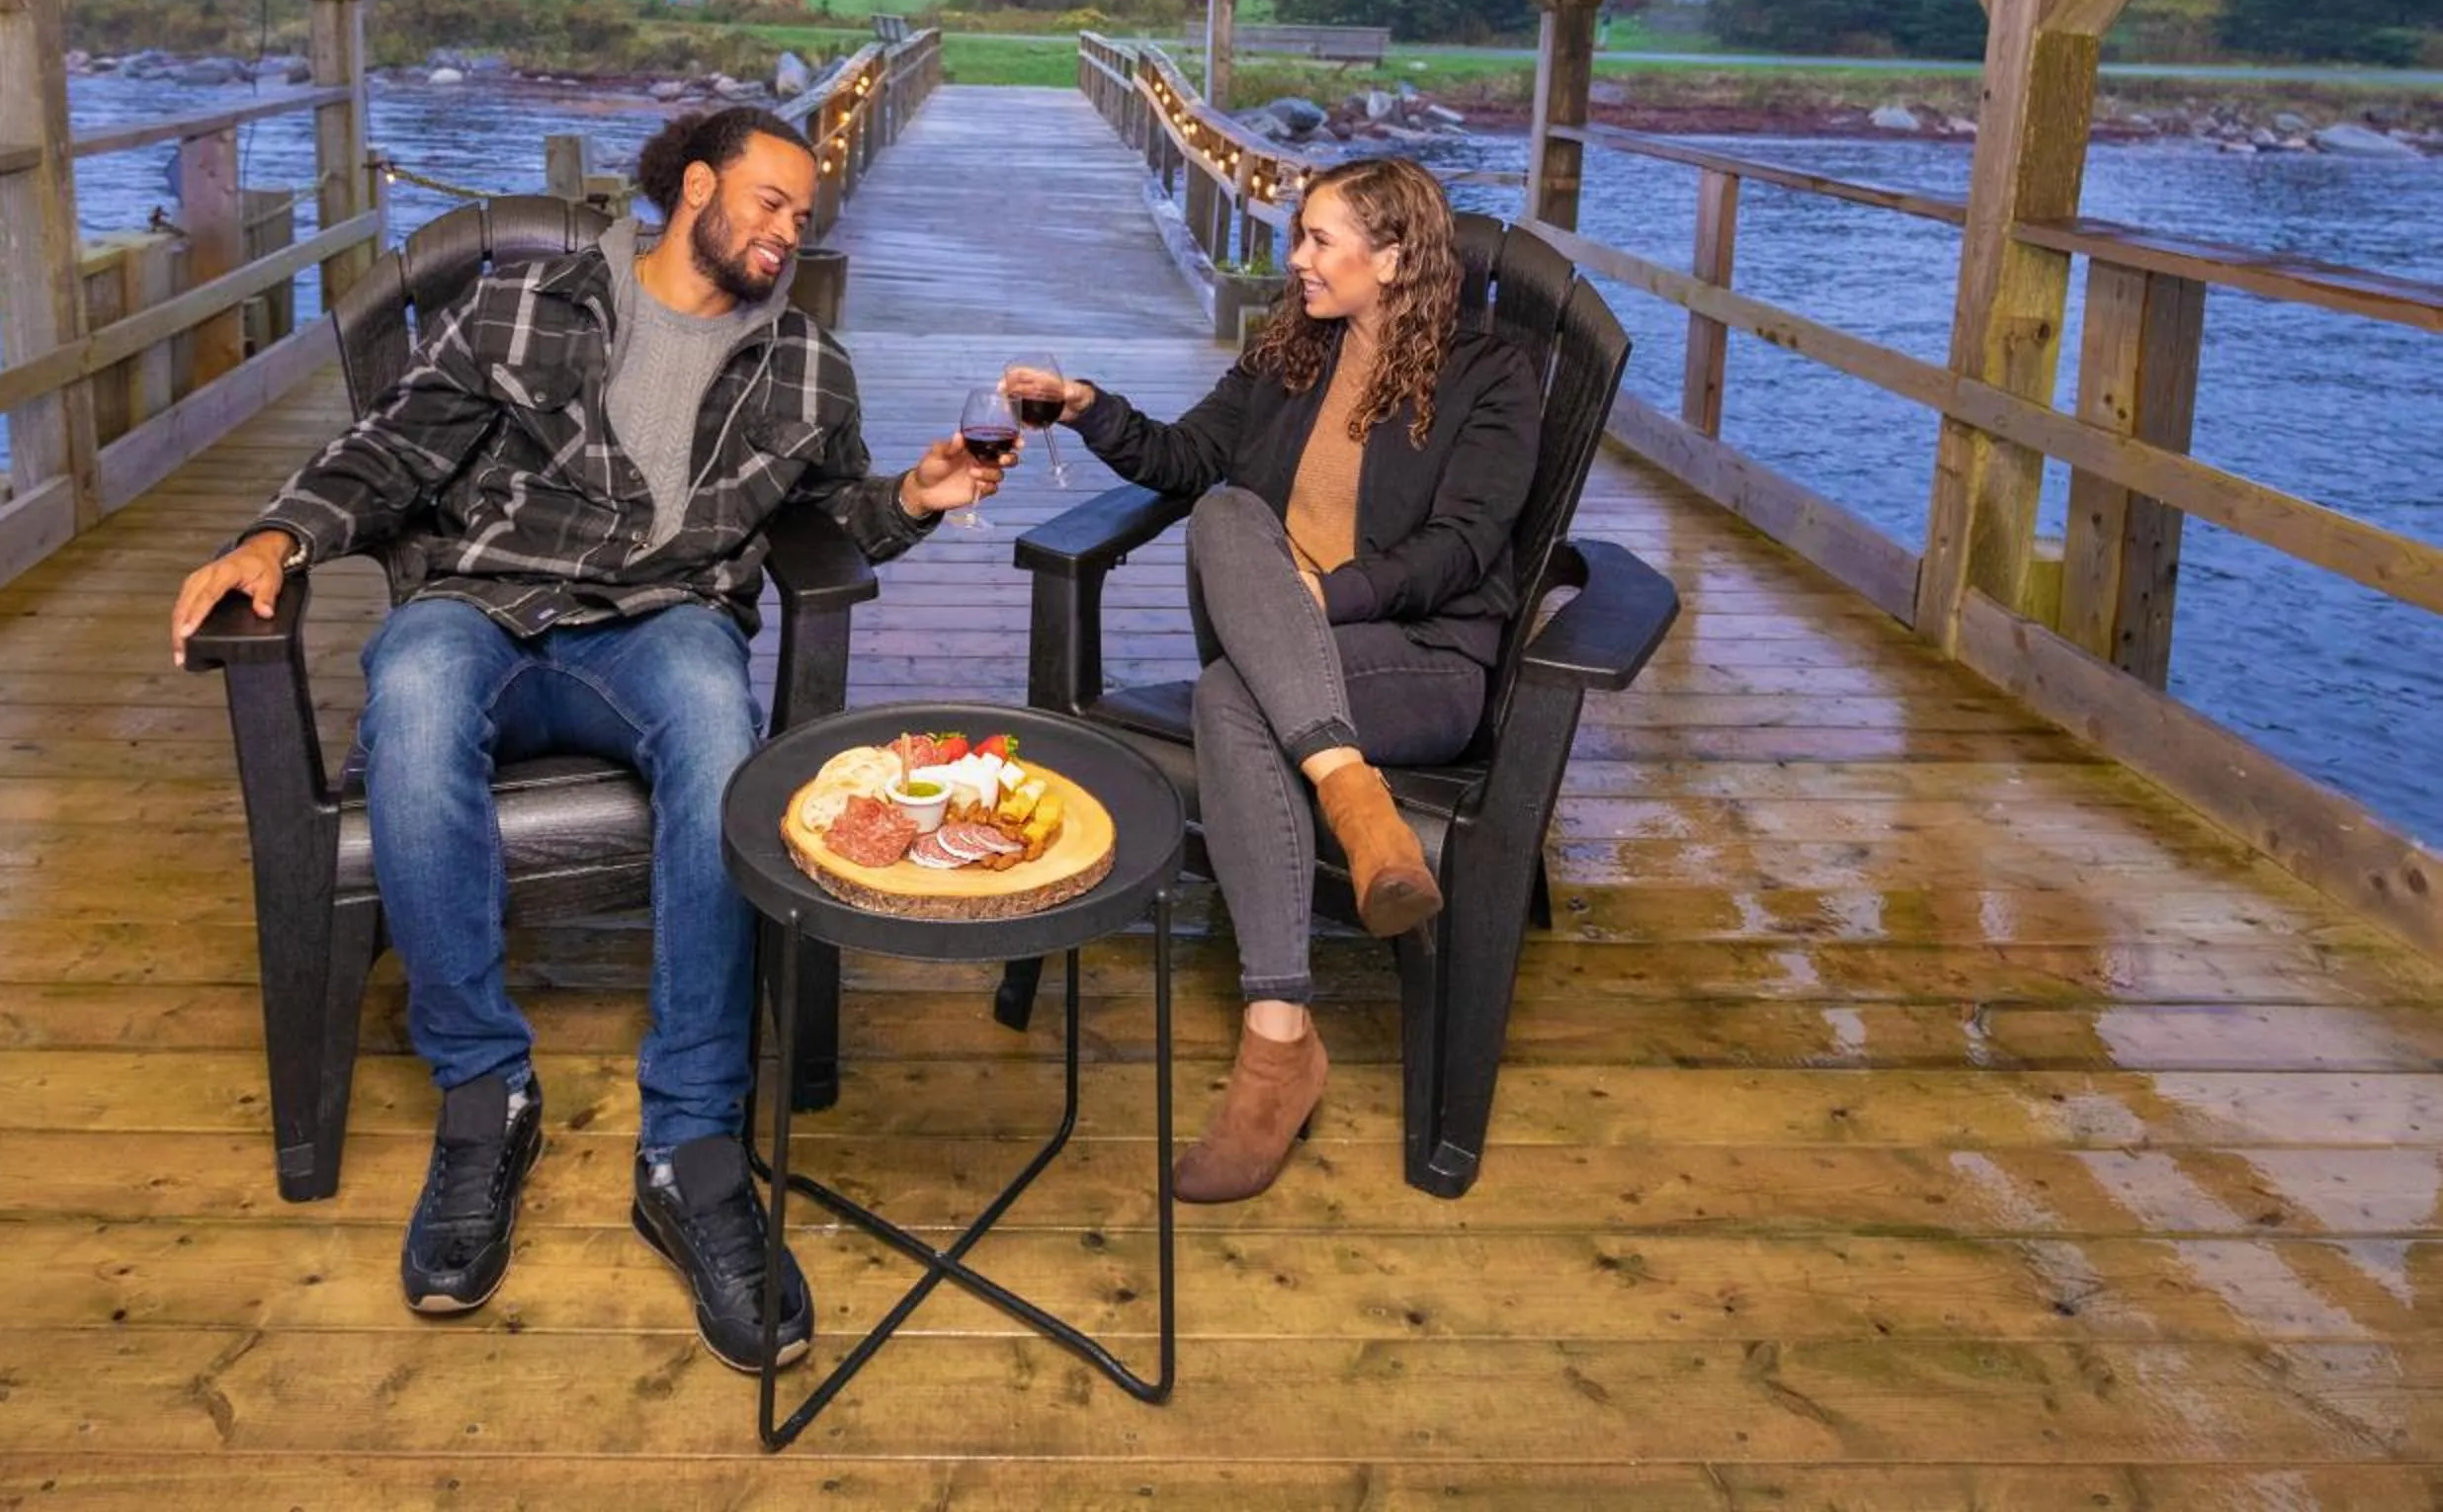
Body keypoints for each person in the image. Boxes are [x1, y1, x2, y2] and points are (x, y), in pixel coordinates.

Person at [169, 107, 1007, 1370]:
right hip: (488, 604)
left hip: (660, 624)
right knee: (413, 693)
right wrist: (277, 535)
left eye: (806, 214)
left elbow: (836, 515)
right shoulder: (526, 305)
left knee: (721, 728)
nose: (792, 228)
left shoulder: (807, 366)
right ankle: (482, 1093)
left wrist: (917, 499)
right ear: (699, 188)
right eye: (773, 201)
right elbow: (393, 449)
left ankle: (691, 1143)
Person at [1008, 156, 1539, 1206]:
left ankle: (1278, 1042)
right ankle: (1353, 794)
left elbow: (1466, 546)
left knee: (1225, 699)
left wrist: (1322, 601)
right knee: (1221, 512)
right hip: (1282, 644)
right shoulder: (1291, 351)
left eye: (1319, 241)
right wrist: (1084, 406)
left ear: (1392, 258)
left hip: (1417, 660)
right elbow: (1185, 456)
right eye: (1299, 236)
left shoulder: (1493, 373)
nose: (1294, 258)